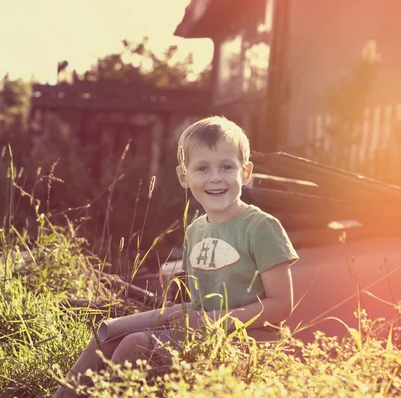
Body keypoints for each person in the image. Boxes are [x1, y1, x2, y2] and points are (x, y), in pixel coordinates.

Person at [53, 116, 298, 397]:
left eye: (226, 167)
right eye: (202, 168)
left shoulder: (261, 227)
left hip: (248, 338)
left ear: (245, 172)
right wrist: (182, 305)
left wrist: (210, 321)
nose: (215, 177)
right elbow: (200, 298)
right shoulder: (196, 229)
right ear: (184, 176)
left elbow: (281, 305)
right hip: (198, 323)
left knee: (135, 344)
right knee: (108, 333)